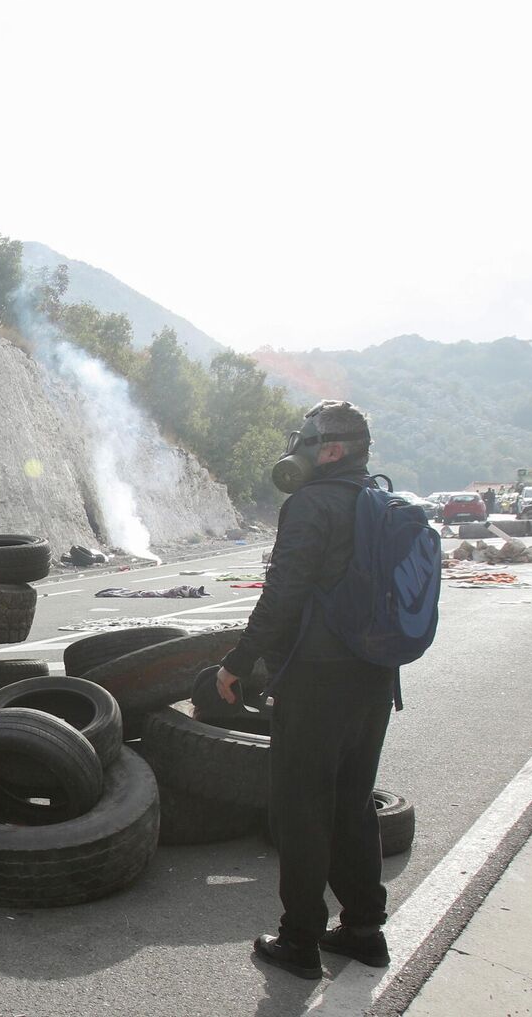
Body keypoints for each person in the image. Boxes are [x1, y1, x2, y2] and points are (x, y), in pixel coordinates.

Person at [216, 400, 396, 981]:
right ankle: (365, 930)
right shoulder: (382, 501)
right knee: (353, 802)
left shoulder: (311, 503)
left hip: (317, 681)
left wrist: (237, 662)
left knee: (301, 810)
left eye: (308, 439)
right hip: (375, 678)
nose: (298, 447)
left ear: (333, 450)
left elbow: (284, 592)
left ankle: (299, 941)